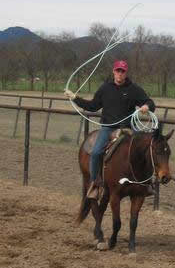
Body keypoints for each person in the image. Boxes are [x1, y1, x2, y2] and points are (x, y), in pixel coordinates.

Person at [65, 60, 155, 199]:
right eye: (118, 70)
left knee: (145, 149)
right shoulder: (105, 88)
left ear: (126, 73)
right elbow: (93, 106)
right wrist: (75, 98)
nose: (120, 74)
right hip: (108, 127)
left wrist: (146, 107)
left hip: (128, 128)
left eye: (122, 71)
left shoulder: (133, 89)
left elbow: (150, 102)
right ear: (113, 71)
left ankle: (146, 183)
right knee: (95, 153)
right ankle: (95, 184)